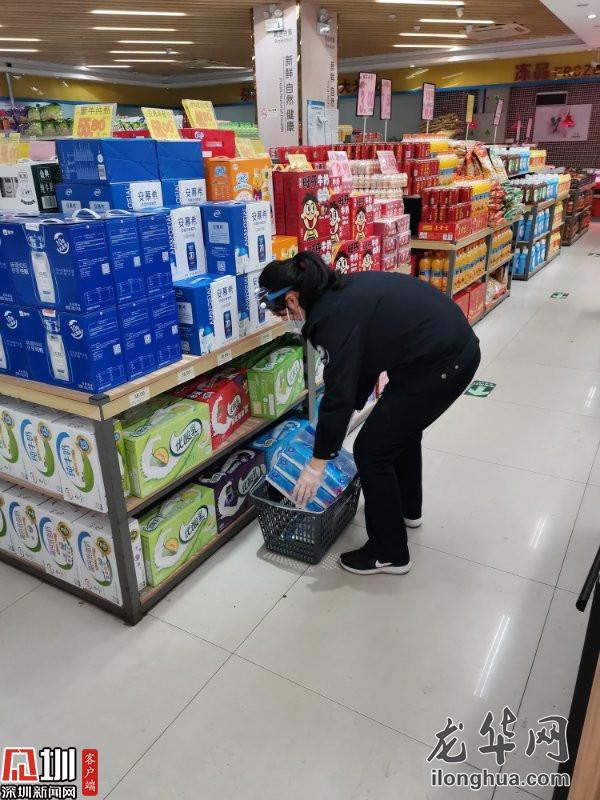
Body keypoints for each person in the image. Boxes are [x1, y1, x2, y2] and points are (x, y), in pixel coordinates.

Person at [258, 252, 480, 576]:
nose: (284, 319)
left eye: (280, 313)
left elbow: (338, 392)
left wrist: (317, 464)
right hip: (442, 350)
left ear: (292, 299)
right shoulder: (340, 291)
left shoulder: (328, 319)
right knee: (398, 431)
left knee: (371, 450)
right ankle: (408, 510)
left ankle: (389, 553)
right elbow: (361, 362)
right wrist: (351, 408)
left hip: (443, 363)